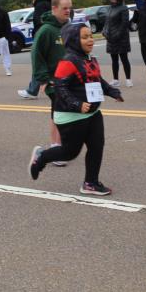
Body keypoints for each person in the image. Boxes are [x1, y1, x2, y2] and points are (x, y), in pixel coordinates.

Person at [29, 23, 122, 194]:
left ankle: (90, 183)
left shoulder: (90, 59)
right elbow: (60, 88)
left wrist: (112, 91)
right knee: (69, 153)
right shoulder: (68, 61)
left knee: (97, 146)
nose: (90, 40)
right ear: (73, 40)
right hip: (71, 115)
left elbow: (98, 80)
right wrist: (77, 104)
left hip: (92, 112)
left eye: (91, 36)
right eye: (85, 37)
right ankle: (41, 157)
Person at [30, 0, 73, 156]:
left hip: (69, 79)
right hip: (54, 80)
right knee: (60, 111)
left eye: (70, 8)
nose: (68, 11)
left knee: (65, 111)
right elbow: (36, 55)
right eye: (64, 8)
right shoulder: (46, 30)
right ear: (54, 8)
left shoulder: (68, 27)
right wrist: (43, 79)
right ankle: (56, 147)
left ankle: (62, 145)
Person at [18, 0, 52, 100]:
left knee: (38, 63)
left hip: (42, 37)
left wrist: (37, 34)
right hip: (49, 36)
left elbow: (39, 21)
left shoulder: (40, 5)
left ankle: (32, 91)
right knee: (50, 63)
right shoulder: (49, 2)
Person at [103, 0, 132, 87]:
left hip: (121, 38)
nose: (111, 0)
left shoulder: (123, 8)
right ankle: (116, 79)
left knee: (124, 59)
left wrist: (117, 35)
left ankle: (128, 79)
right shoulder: (109, 8)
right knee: (114, 59)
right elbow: (107, 21)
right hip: (110, 38)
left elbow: (125, 24)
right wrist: (104, 31)